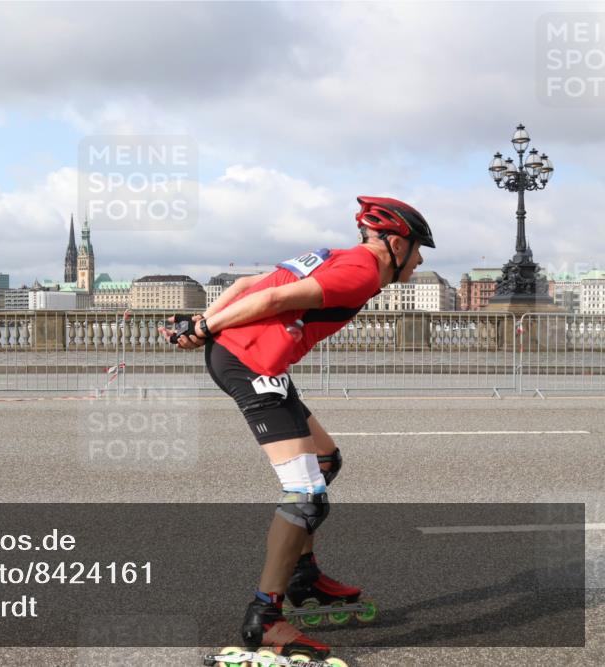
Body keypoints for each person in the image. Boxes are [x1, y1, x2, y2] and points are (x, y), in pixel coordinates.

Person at [160, 196, 435, 661]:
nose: (421, 259)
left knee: (326, 460)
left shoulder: (334, 255)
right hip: (251, 362)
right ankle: (265, 617)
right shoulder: (363, 272)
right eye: (418, 248)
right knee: (306, 496)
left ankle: (303, 574)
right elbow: (271, 297)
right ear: (394, 243)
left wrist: (203, 325)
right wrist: (204, 326)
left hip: (253, 358)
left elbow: (249, 282)